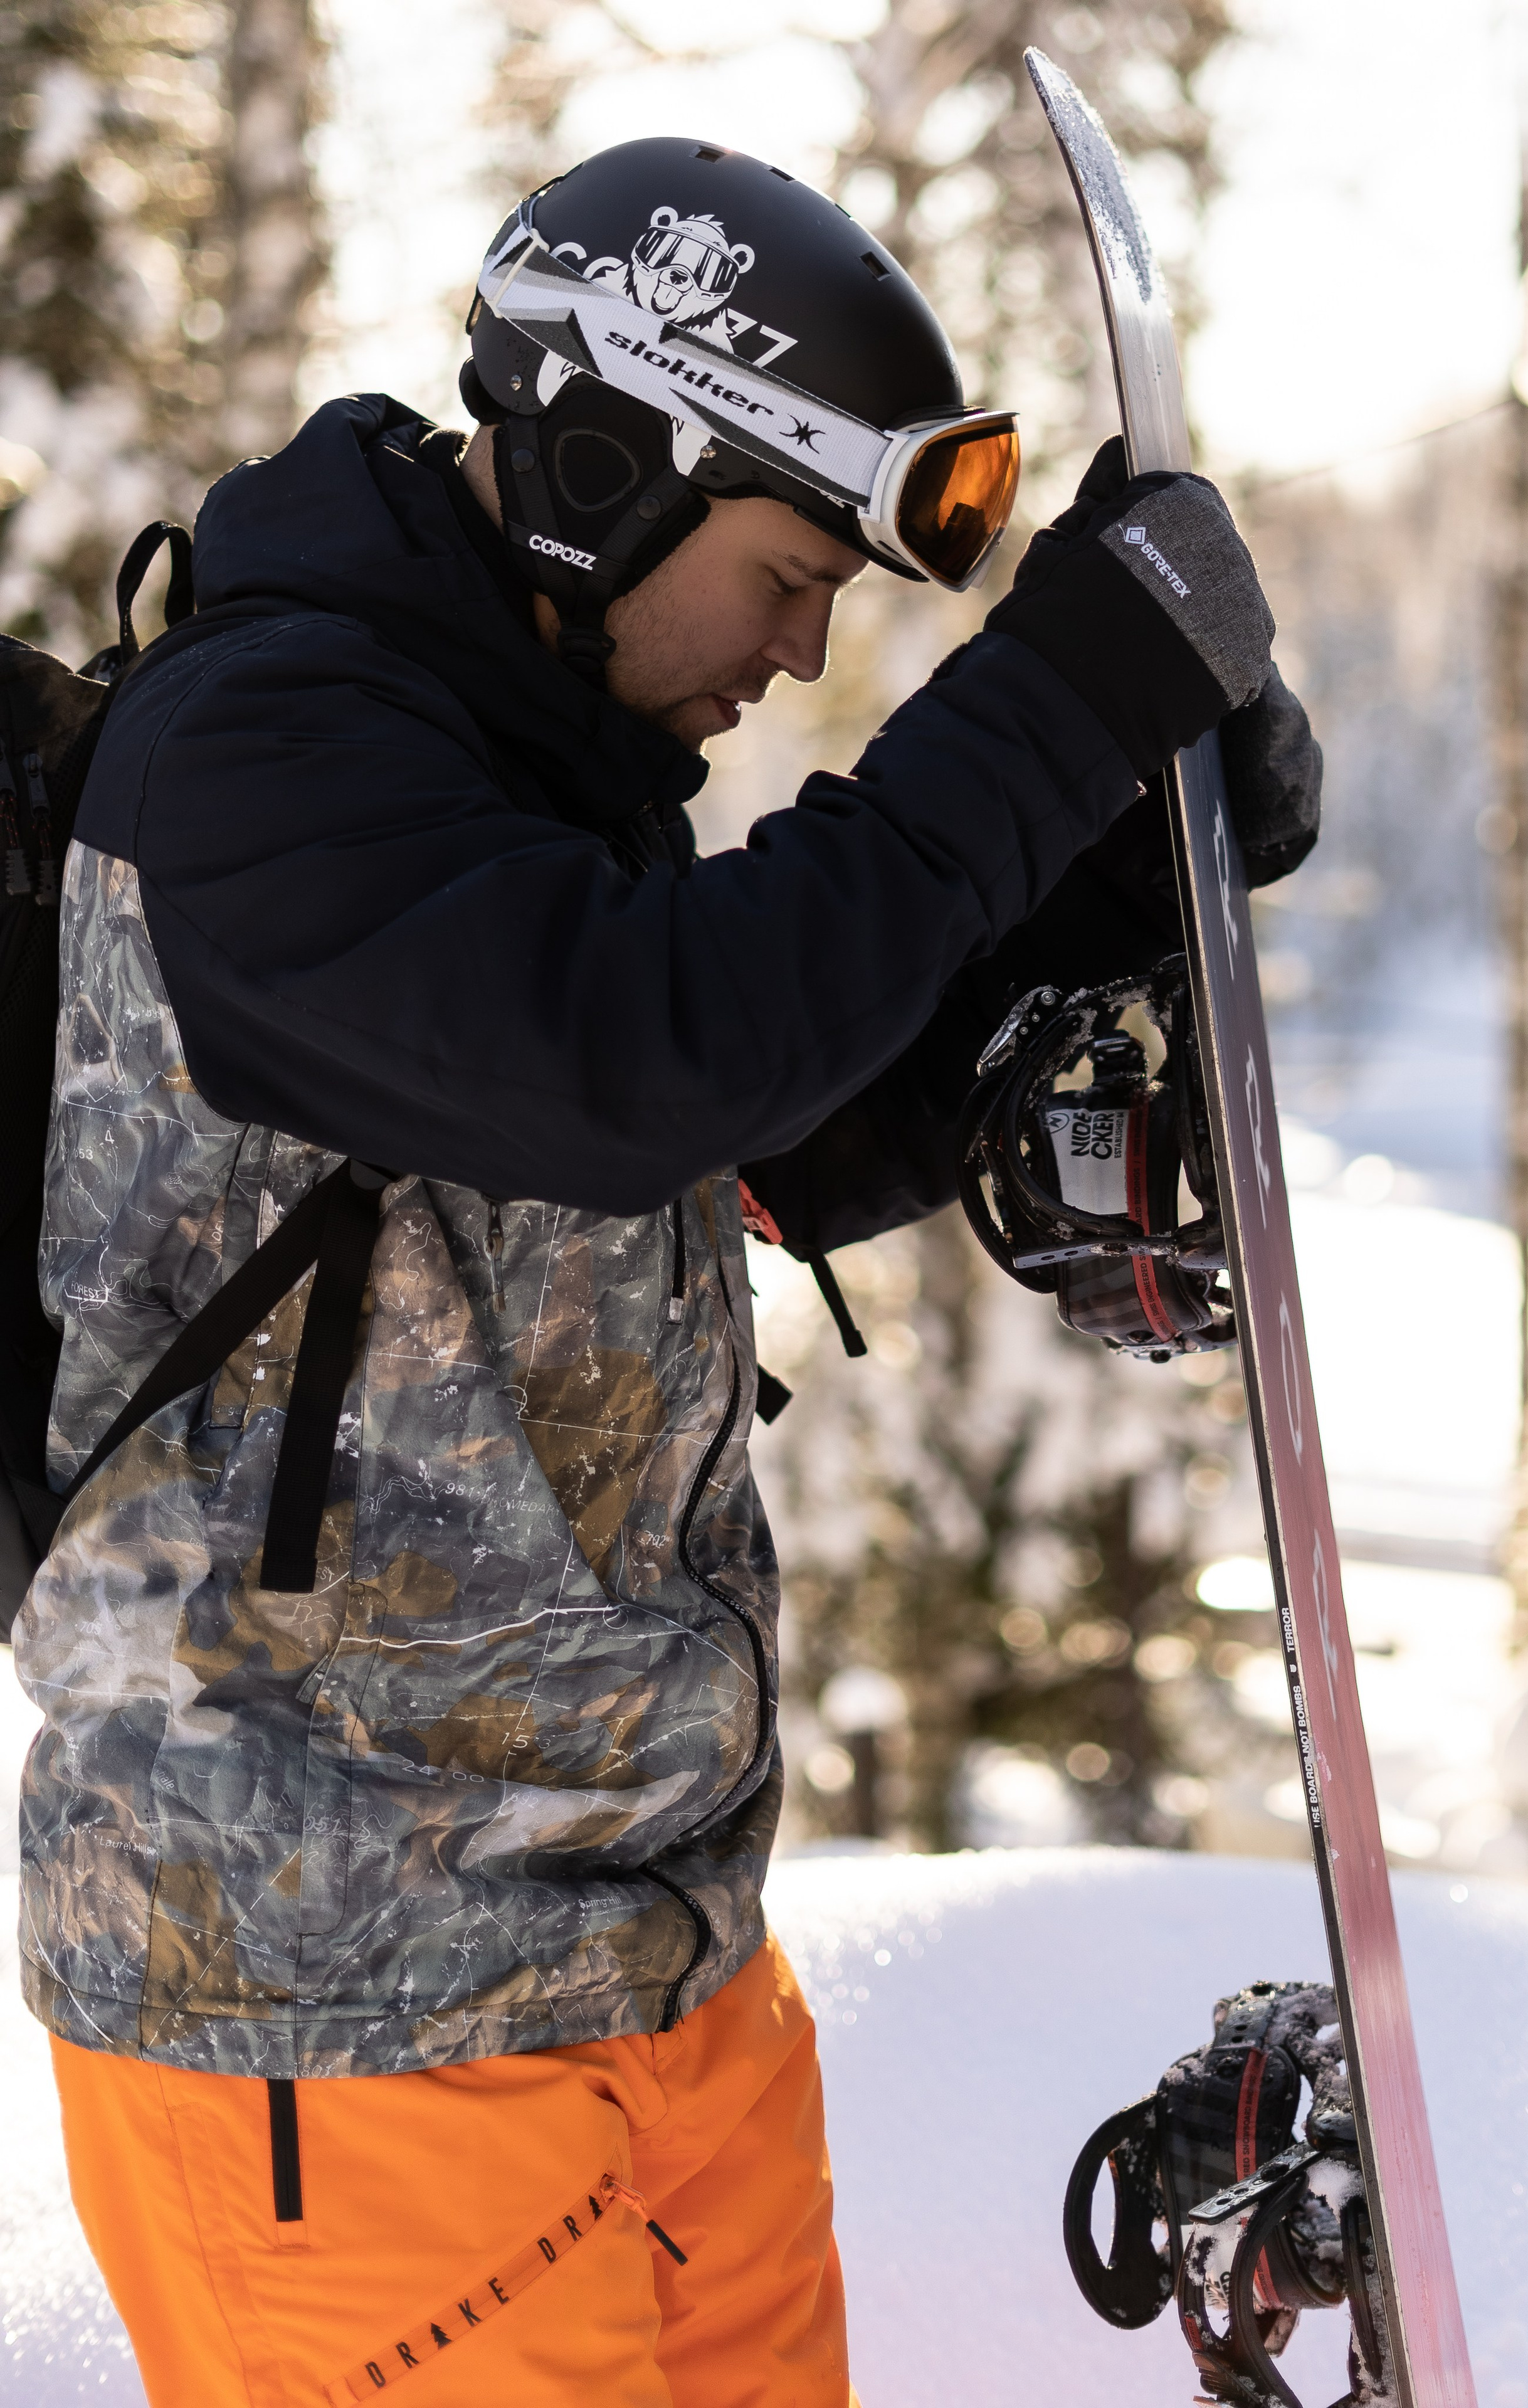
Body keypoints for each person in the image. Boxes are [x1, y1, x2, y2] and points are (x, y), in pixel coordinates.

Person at [14, 137, 1319, 2407]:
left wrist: (1119, 869)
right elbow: (656, 1055)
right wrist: (1053, 707)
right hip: (343, 2007)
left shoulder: (519, 783)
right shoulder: (260, 759)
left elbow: (763, 1135)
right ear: (608, 468)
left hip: (652, 1969)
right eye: (789, 569)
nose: (805, 642)